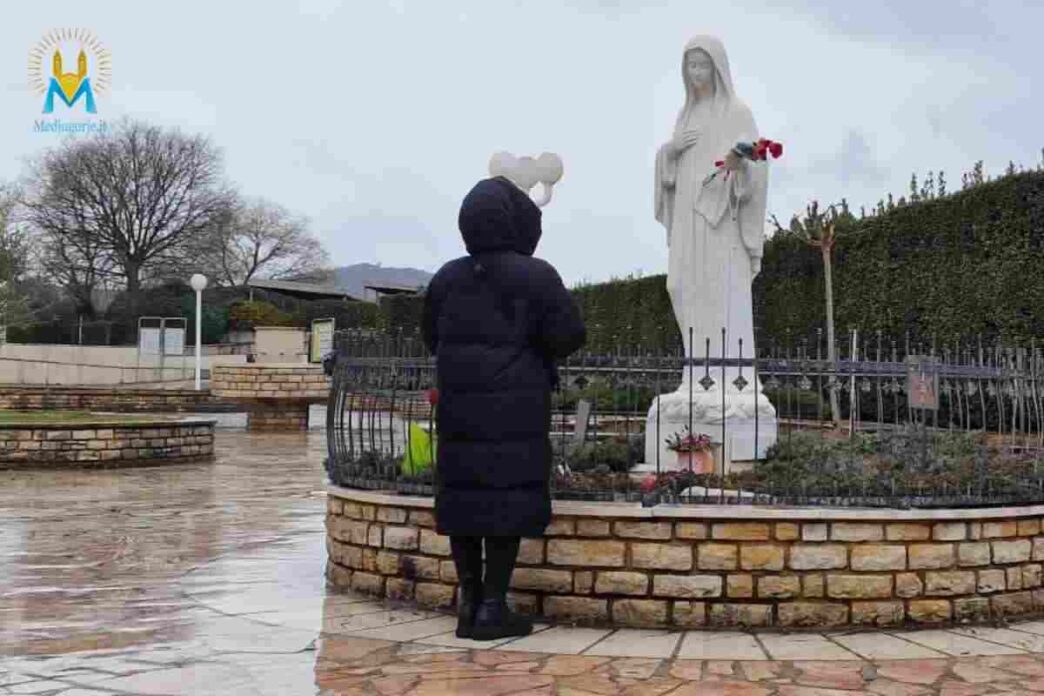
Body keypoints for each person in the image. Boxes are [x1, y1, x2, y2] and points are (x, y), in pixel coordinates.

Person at [421, 176, 586, 641]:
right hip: (516, 408)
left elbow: (431, 336)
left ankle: (468, 604)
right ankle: (494, 606)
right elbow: (570, 334)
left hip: (460, 408)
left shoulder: (448, 277)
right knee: (505, 501)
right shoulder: (536, 276)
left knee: (465, 501)